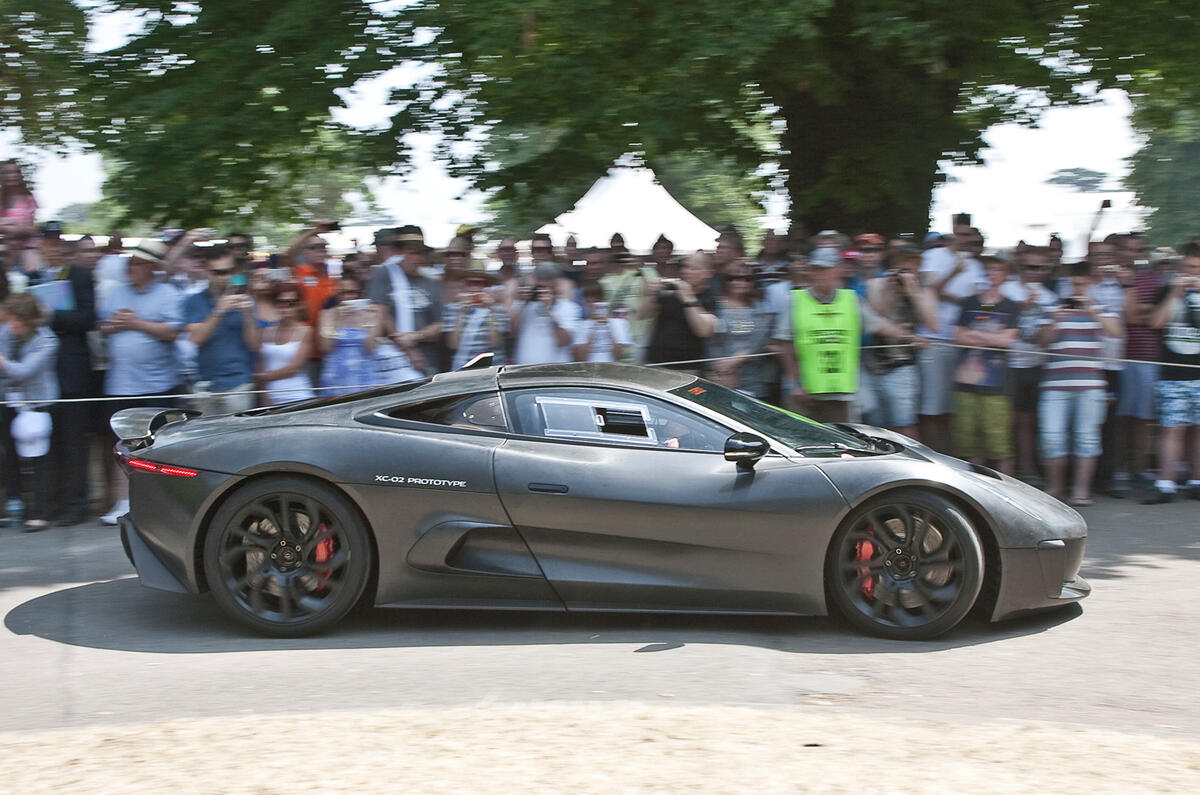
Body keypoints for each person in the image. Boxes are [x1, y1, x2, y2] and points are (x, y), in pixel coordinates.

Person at [97, 239, 184, 525]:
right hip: (120, 385)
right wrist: (114, 325)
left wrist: (137, 324)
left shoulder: (168, 293)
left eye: (136, 263)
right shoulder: (117, 292)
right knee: (123, 447)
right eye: (129, 262)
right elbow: (103, 327)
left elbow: (172, 332)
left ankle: (161, 505)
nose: (130, 267)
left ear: (152, 267)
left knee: (158, 447)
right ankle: (124, 503)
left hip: (158, 386)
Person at [1037, 261, 1121, 505]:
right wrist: (1054, 320)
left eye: (1083, 284)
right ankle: (1055, 490)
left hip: (1091, 385)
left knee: (1087, 438)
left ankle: (1080, 492)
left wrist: (1092, 309)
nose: (1078, 289)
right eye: (1074, 284)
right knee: (1052, 437)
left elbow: (1115, 332)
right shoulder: (1053, 307)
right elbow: (1042, 342)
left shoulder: (1102, 308)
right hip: (1055, 385)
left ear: (1091, 285)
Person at [917, 223, 986, 452]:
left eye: (970, 237)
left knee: (953, 408)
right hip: (934, 339)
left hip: (963, 342)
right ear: (952, 234)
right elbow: (928, 290)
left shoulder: (976, 265)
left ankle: (950, 456)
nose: (965, 240)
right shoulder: (932, 256)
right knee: (931, 407)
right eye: (962, 235)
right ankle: (930, 455)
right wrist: (954, 273)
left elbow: (980, 303)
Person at [1142, 246, 1200, 503]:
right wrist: (1175, 295)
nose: (1192, 273)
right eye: (1188, 267)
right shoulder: (1167, 291)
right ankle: (1165, 484)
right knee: (1172, 429)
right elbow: (1155, 322)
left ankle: (1197, 482)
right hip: (1171, 374)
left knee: (1198, 430)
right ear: (1180, 269)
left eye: (1197, 269)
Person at [951, 256, 1019, 474]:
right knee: (968, 441)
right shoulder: (969, 302)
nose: (993, 275)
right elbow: (957, 336)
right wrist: (991, 337)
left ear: (1005, 276)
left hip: (997, 386)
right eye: (989, 271)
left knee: (999, 443)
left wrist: (974, 333)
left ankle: (1008, 491)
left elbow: (1006, 341)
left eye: (998, 271)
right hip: (966, 382)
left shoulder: (1011, 306)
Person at [47, 236, 97, 526]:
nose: (52, 250)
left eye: (57, 245)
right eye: (47, 244)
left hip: (72, 371)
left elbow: (88, 318)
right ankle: (52, 503)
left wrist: (50, 316)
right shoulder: (32, 276)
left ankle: (77, 505)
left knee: (74, 441)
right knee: (52, 442)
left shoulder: (79, 275)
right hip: (41, 375)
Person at [0, 293, 60, 531]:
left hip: (37, 406)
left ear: (30, 320)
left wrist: (3, 363)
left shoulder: (47, 340)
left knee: (39, 459)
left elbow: (26, 371)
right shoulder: (7, 333)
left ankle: (41, 512)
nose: (12, 325)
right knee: (9, 457)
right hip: (9, 403)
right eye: (10, 320)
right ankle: (16, 506)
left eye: (17, 321)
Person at [864, 249, 938, 437]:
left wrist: (913, 292)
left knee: (904, 425)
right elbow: (874, 318)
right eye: (902, 268)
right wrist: (891, 290)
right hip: (872, 366)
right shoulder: (875, 285)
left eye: (911, 269)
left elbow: (933, 325)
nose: (906, 274)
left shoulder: (924, 291)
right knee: (875, 428)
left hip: (902, 367)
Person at [1002, 247, 1059, 486]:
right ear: (1019, 266)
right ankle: (1007, 471)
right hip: (1006, 364)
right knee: (1006, 421)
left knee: (1029, 422)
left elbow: (1047, 341)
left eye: (1041, 268)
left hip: (1036, 365)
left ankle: (1027, 469)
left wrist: (1049, 327)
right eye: (1029, 267)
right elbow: (991, 321)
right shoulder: (1006, 290)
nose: (1034, 272)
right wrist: (1020, 309)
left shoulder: (1050, 298)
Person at [183, 246, 261, 415]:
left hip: (239, 383)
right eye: (217, 272)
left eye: (228, 271)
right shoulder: (194, 301)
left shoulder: (247, 299)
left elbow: (254, 345)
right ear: (205, 272)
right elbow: (196, 339)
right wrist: (219, 311)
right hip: (207, 384)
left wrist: (247, 313)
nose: (224, 277)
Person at [367, 226, 443, 376]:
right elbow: (379, 312)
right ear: (400, 252)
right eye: (413, 252)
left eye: (422, 253)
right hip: (391, 357)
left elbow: (439, 324)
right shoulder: (384, 274)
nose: (418, 258)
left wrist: (415, 336)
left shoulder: (430, 282)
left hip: (427, 357)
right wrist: (409, 349)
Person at [707, 260, 775, 399]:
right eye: (734, 278)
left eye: (747, 279)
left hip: (752, 379)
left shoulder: (759, 307)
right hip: (720, 378)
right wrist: (721, 369)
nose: (740, 282)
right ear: (726, 280)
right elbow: (710, 340)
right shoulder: (715, 305)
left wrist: (737, 359)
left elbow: (760, 340)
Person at [643, 251, 718, 375]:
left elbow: (703, 330)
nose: (686, 271)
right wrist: (651, 294)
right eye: (685, 266)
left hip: (687, 368)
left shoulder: (709, 297)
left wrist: (688, 298)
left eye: (693, 268)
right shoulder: (670, 290)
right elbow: (643, 315)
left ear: (707, 273)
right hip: (656, 363)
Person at [320, 271, 384, 395]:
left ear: (359, 293)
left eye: (351, 292)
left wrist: (370, 321)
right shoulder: (328, 314)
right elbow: (325, 347)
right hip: (334, 375)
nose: (347, 296)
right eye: (342, 292)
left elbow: (370, 349)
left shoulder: (371, 312)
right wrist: (338, 321)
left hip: (363, 374)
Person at [255, 282, 315, 405]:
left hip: (298, 395)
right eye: (281, 302)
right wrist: (263, 393)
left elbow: (293, 369)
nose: (286, 307)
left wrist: (261, 377)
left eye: (291, 303)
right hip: (270, 396)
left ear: (299, 305)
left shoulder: (305, 331)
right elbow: (260, 363)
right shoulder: (266, 332)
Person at [509, 262, 580, 364]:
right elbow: (512, 333)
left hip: (555, 372)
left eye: (549, 287)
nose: (544, 291)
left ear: (556, 286)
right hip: (525, 371)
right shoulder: (525, 305)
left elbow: (564, 342)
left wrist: (549, 311)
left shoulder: (569, 307)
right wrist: (523, 303)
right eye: (541, 286)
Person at [445, 262, 506, 370]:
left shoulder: (497, 309)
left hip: (491, 368)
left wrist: (490, 311)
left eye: (479, 283)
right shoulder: (452, 308)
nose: (474, 287)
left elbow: (494, 342)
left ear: (487, 285)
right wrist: (462, 313)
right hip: (463, 367)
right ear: (464, 285)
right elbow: (453, 345)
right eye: (470, 283)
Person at [573, 281, 632, 364]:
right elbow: (580, 357)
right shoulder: (580, 325)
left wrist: (608, 326)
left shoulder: (619, 323)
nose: (593, 306)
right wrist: (593, 327)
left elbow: (619, 355)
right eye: (589, 301)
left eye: (596, 301)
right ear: (584, 303)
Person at [0, 160, 37, 273]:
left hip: (25, 248)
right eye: (7, 172)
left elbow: (31, 229)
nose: (11, 176)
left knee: (32, 272)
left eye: (15, 172)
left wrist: (8, 225)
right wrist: (14, 226)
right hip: (3, 247)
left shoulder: (28, 199)